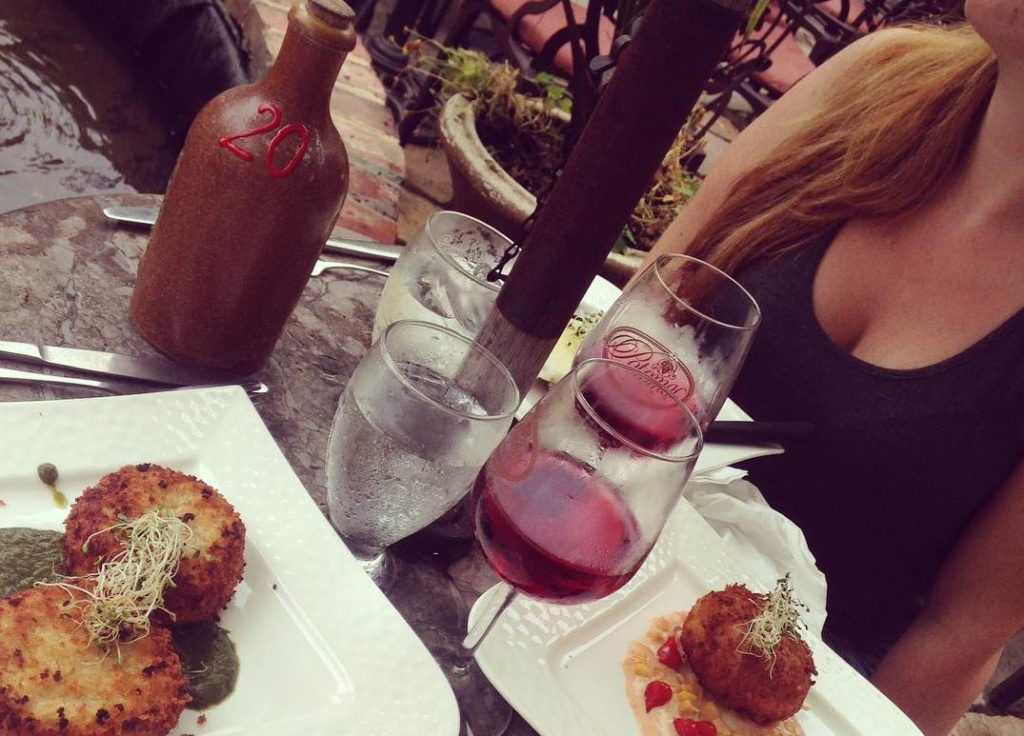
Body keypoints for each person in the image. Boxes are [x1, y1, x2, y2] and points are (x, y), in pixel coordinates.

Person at [641, 6, 1024, 734]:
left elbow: (958, 630)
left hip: (788, 689)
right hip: (604, 518)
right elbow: (650, 314)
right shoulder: (879, 76)